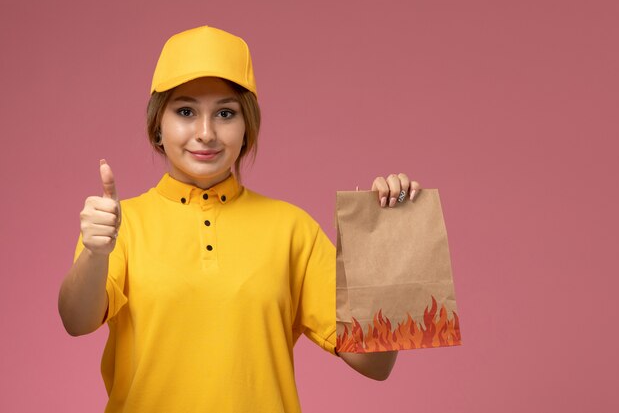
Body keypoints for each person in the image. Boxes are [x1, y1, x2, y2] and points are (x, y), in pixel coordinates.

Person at [58, 26, 421, 413]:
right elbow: (77, 321)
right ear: (157, 127)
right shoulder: (119, 224)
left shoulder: (292, 229)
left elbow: (375, 364)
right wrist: (96, 253)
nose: (206, 133)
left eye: (225, 113)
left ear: (246, 128)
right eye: (185, 111)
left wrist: (386, 245)